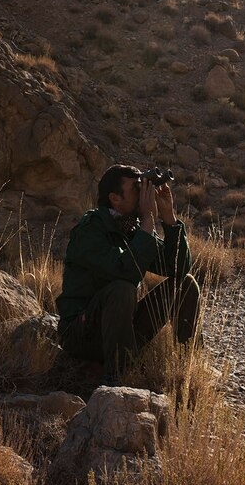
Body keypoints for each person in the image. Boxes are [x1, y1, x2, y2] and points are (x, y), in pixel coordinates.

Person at [55, 164, 200, 384]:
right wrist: (149, 221)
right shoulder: (90, 230)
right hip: (82, 335)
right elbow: (126, 273)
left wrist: (169, 218)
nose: (144, 194)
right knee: (122, 288)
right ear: (115, 198)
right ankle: (119, 381)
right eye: (137, 189)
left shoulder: (130, 228)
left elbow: (178, 269)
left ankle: (187, 371)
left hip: (120, 331)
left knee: (185, 284)